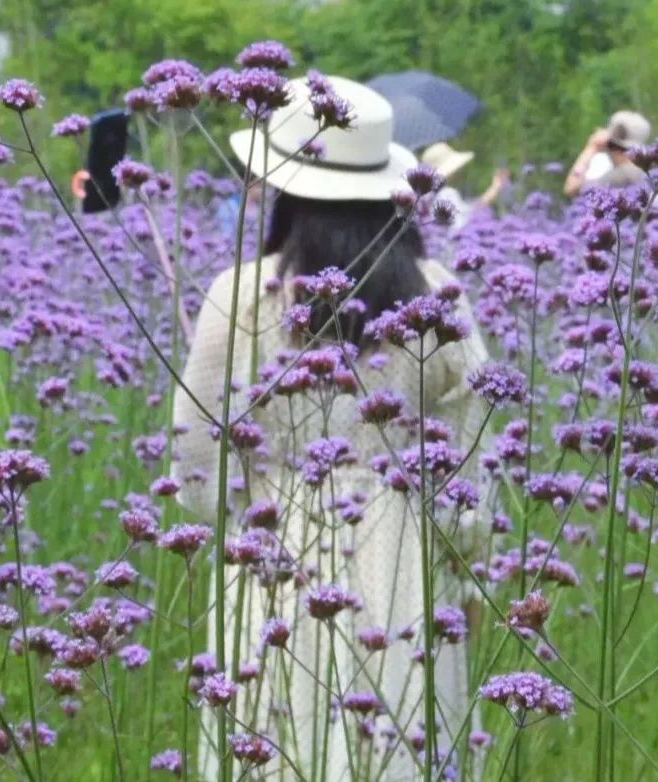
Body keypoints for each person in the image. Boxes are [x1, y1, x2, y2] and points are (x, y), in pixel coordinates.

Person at [171, 75, 490, 781]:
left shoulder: (243, 293)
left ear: (285, 186)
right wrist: (466, 561)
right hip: (403, 547)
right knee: (398, 733)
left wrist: (218, 534)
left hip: (274, 544)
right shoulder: (437, 293)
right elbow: (469, 457)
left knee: (275, 733)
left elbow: (197, 443)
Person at [420, 141, 509, 232]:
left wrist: (495, 188)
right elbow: (466, 219)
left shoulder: (429, 197)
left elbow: (468, 209)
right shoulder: (447, 194)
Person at [563, 109, 651, 198]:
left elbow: (572, 188)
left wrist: (591, 148)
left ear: (607, 142)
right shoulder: (640, 169)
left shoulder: (625, 174)